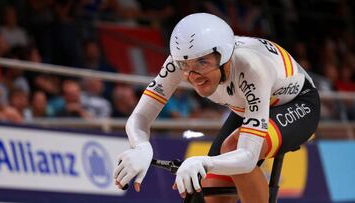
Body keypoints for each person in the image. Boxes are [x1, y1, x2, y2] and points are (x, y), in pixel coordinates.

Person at [113, 13, 320, 203]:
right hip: (247, 107)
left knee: (232, 149)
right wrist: (140, 145)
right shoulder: (182, 60)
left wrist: (206, 162)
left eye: (202, 64)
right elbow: (140, 116)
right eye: (185, 67)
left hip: (297, 104)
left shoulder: (251, 68)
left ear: (224, 57)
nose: (192, 76)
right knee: (209, 193)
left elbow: (247, 157)